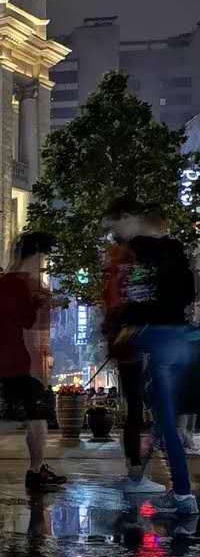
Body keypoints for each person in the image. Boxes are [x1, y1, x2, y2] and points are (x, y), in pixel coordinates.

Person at [106, 201, 197, 515]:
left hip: (157, 340)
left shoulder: (139, 254)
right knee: (163, 413)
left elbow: (136, 297)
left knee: (165, 419)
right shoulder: (178, 253)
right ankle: (154, 477)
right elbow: (187, 294)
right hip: (182, 337)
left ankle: (182, 494)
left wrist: (126, 327)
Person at [0, 232, 68, 492]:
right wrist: (40, 303)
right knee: (35, 415)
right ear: (38, 255)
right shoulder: (25, 285)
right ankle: (32, 469)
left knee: (24, 414)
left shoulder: (0, 283)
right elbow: (28, 321)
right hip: (22, 360)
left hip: (3, 356)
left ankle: (34, 468)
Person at [102, 198, 159, 492]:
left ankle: (136, 469)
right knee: (143, 403)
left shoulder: (118, 255)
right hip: (137, 335)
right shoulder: (131, 254)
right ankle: (137, 470)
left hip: (126, 336)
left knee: (137, 404)